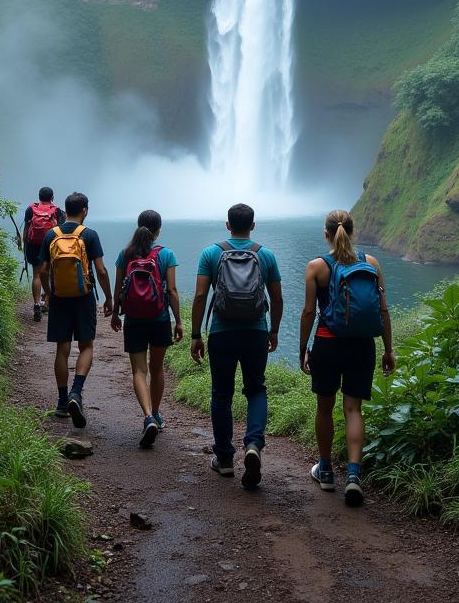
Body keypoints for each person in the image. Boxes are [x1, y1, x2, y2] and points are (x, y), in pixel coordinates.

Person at [299, 210, 394, 507]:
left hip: (327, 345)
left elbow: (308, 312)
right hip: (362, 346)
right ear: (352, 232)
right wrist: (389, 349)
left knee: (324, 408)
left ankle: (325, 470)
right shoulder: (371, 263)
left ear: (326, 233)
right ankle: (353, 476)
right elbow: (383, 310)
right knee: (354, 410)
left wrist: (303, 348)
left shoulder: (317, 267)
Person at [191, 203, 282, 489]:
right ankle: (253, 444)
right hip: (256, 331)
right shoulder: (265, 254)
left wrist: (196, 334)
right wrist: (274, 331)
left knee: (221, 393)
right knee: (256, 389)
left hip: (221, 332)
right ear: (253, 225)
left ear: (227, 225)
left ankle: (226, 459)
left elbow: (200, 295)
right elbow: (277, 299)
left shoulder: (211, 253)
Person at [110, 209, 183, 448]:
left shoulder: (125, 254)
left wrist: (115, 312)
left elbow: (119, 285)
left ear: (138, 226)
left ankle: (148, 415)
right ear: (158, 230)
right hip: (159, 319)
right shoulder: (166, 254)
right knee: (157, 368)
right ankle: (157, 414)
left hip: (134, 320)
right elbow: (171, 291)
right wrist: (179, 321)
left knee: (139, 371)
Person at [40, 191, 113, 427]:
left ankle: (62, 402)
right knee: (86, 345)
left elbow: (43, 270)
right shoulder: (89, 235)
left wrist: (48, 294)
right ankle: (76, 392)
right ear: (85, 210)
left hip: (60, 297)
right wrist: (110, 298)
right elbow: (100, 270)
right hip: (83, 297)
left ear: (65, 209)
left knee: (62, 348)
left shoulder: (51, 234)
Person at [23, 187, 62, 322]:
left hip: (34, 245)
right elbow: (61, 231)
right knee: (51, 273)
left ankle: (36, 304)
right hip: (51, 245)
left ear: (39, 197)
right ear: (52, 197)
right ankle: (48, 304)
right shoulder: (56, 210)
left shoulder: (31, 209)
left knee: (37, 275)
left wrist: (25, 244)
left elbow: (27, 229)